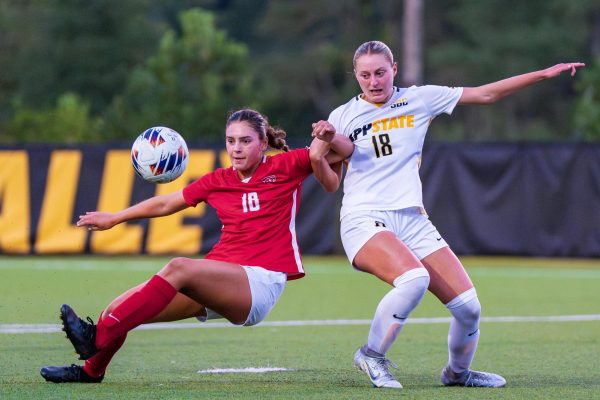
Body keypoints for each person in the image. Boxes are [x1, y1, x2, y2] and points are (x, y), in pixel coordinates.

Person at [311, 40, 584, 389]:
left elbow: (485, 95)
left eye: (380, 72)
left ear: (394, 69)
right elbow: (331, 184)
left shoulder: (420, 98)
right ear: (355, 76)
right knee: (414, 279)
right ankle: (371, 353)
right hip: (364, 218)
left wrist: (543, 74)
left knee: (469, 308)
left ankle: (457, 374)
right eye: (365, 75)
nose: (373, 81)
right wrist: (318, 157)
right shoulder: (342, 116)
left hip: (412, 218)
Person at [40, 108, 353, 383]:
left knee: (178, 267)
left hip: (259, 282)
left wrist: (329, 134)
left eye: (246, 141)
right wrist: (116, 217)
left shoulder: (285, 165)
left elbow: (344, 150)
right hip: (220, 278)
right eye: (231, 141)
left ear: (263, 143)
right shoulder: (218, 179)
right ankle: (91, 371)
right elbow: (165, 204)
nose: (237, 148)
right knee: (117, 309)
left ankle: (95, 339)